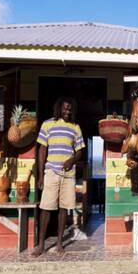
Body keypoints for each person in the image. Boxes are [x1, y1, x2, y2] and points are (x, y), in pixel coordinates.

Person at [32, 97, 85, 257]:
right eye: (65, 108)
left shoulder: (75, 127)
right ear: (58, 109)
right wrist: (41, 176)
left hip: (68, 175)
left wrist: (72, 160)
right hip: (51, 172)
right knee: (46, 208)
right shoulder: (47, 124)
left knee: (64, 209)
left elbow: (80, 151)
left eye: (70, 109)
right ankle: (40, 245)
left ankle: (60, 243)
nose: (68, 111)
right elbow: (42, 151)